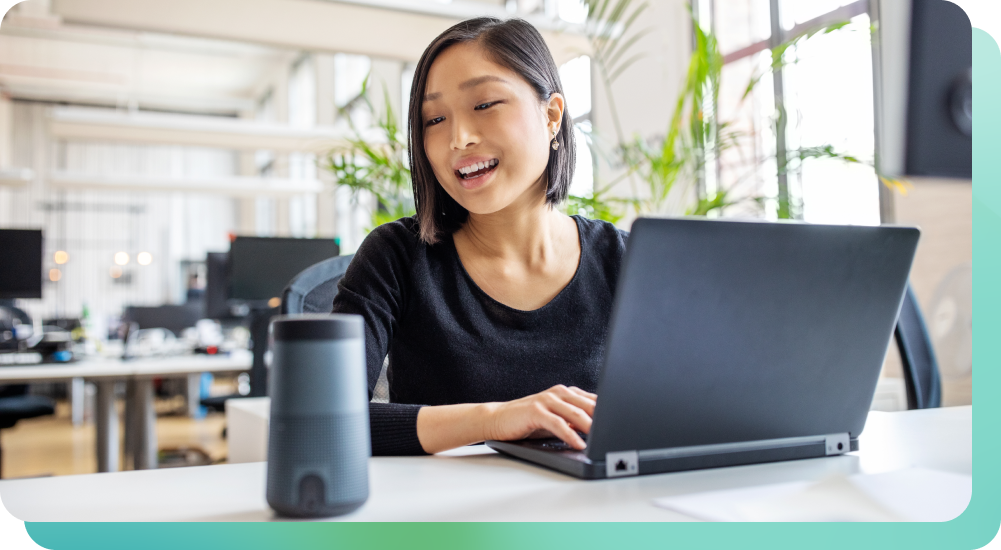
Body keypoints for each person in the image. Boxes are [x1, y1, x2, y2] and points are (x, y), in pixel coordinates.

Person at [332, 17, 628, 455]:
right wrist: (495, 419)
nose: (458, 138)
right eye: (434, 118)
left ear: (551, 116)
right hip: (447, 518)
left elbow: (694, 403)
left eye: (485, 104)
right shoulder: (394, 258)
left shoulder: (625, 260)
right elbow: (324, 419)